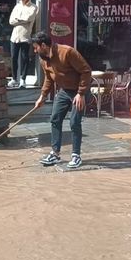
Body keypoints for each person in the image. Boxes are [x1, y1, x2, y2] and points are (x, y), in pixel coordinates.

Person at [32, 32, 91, 169]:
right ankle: (55, 153)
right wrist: (43, 96)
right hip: (64, 91)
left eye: (36, 47)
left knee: (74, 122)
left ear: (44, 45)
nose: (35, 51)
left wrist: (81, 93)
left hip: (79, 91)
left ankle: (76, 155)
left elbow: (86, 71)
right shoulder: (44, 58)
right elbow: (48, 77)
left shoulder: (67, 52)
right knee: (55, 119)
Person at [8, 0, 37, 89]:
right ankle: (15, 78)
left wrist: (18, 20)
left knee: (25, 58)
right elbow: (11, 21)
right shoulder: (17, 6)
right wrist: (22, 21)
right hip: (14, 37)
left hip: (25, 36)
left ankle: (23, 79)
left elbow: (29, 18)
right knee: (14, 58)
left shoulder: (33, 7)